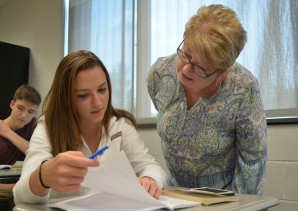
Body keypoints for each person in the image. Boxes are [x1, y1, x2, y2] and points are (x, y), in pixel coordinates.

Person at [13, 50, 166, 205]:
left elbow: (151, 166)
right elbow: (20, 196)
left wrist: (150, 180)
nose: (98, 102)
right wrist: (42, 176)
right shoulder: (48, 127)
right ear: (66, 98)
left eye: (102, 89)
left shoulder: (119, 125)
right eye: (83, 95)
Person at [147, 4, 267, 195]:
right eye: (186, 54)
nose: (186, 69)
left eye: (201, 67)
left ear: (222, 70)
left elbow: (252, 160)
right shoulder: (159, 74)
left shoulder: (244, 87)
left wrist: (240, 206)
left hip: (224, 198)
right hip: (175, 194)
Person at [0, 85, 41, 210]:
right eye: (20, 108)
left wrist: (9, 134)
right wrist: (19, 186)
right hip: (5, 194)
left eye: (30, 112)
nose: (24, 116)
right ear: (12, 104)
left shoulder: (35, 125)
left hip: (28, 194)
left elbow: (39, 153)